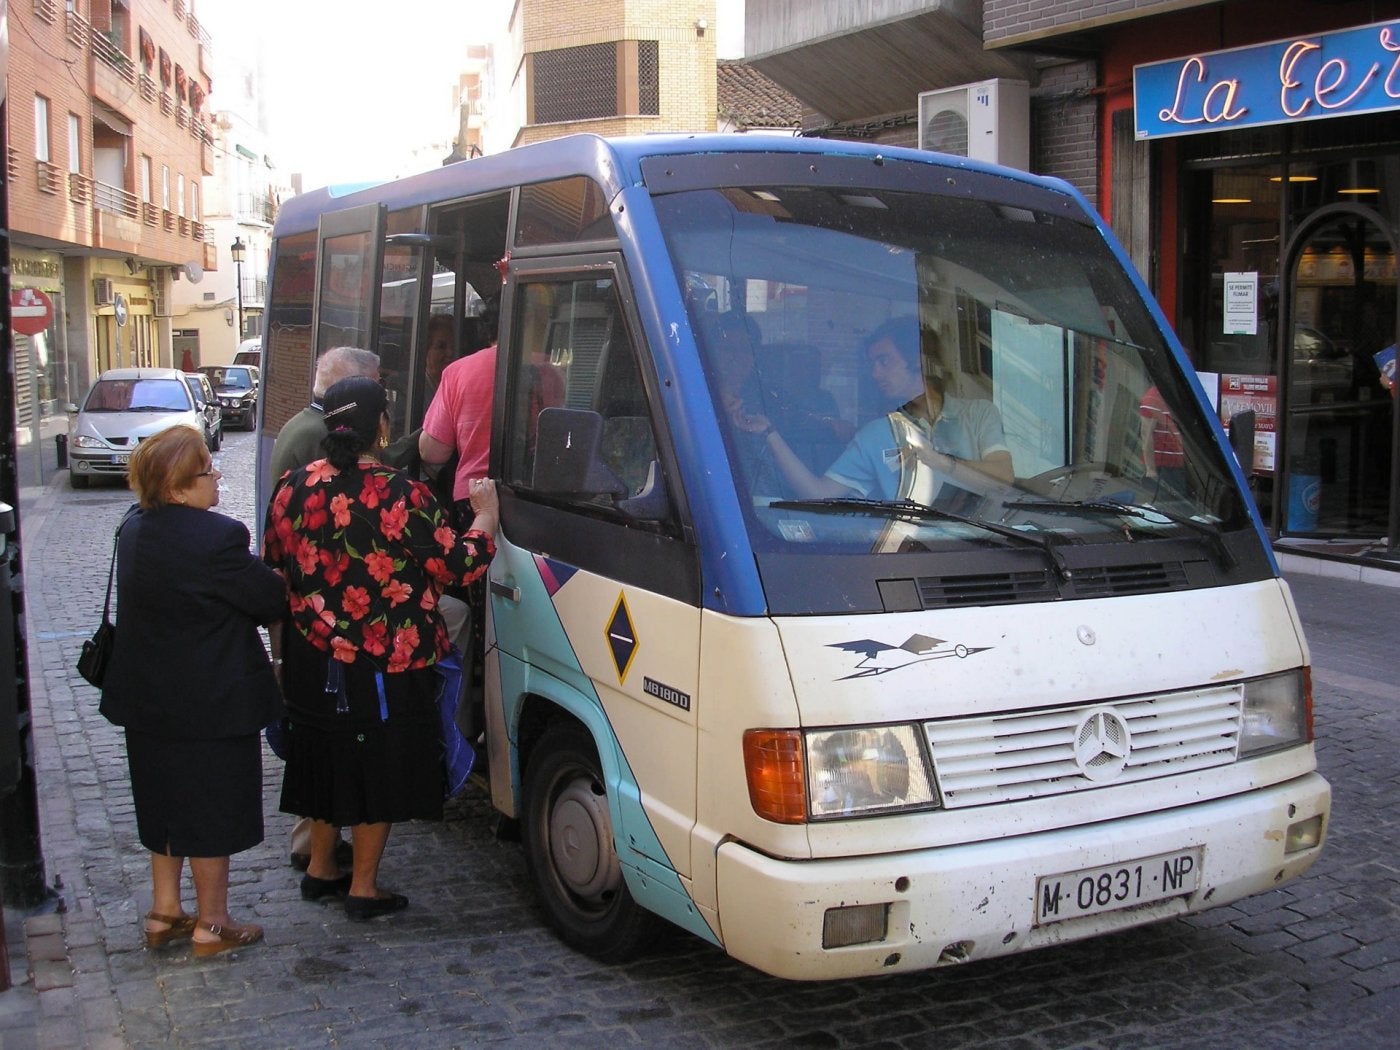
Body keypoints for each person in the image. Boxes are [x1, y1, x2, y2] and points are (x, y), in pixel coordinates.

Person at [263, 376, 499, 921]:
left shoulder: (291, 488)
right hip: (384, 663)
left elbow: (275, 561)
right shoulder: (404, 496)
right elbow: (458, 564)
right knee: (376, 766)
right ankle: (363, 888)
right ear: (384, 428)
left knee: (323, 758)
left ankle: (322, 869)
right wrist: (485, 514)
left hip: (309, 660)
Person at [99, 425, 286, 958]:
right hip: (211, 701)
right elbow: (269, 598)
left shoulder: (133, 528)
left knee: (161, 803)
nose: (217, 474)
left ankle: (164, 912)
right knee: (210, 809)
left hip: (147, 699)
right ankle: (214, 922)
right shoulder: (215, 539)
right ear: (179, 488)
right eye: (206, 469)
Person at [268, 345, 382, 875]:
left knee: (317, 739)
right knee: (350, 747)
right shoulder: (370, 481)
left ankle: (317, 860)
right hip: (344, 635)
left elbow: (274, 555)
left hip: (304, 626)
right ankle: (334, 861)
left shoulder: (297, 451)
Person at [734, 316, 1013, 503]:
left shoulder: (978, 414)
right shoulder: (878, 434)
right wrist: (769, 433)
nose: (875, 373)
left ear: (917, 360)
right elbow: (817, 493)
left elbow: (1002, 480)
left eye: (884, 361)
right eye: (872, 365)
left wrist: (938, 461)